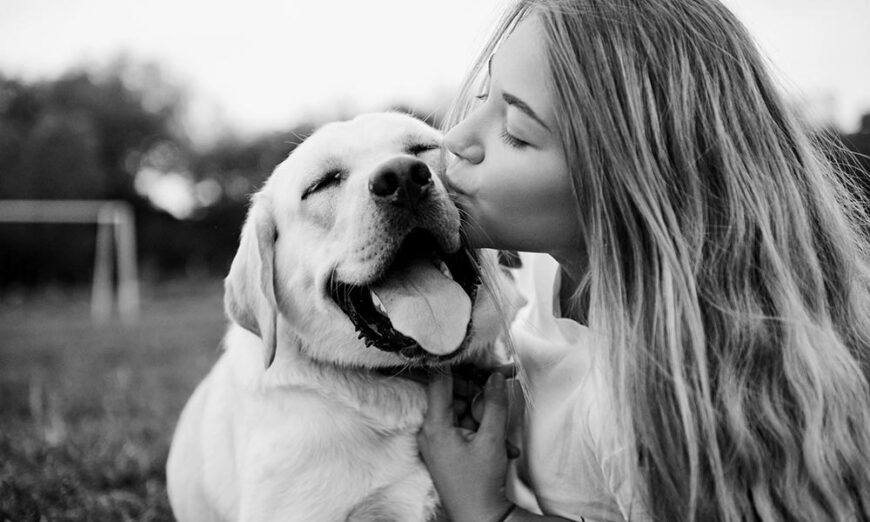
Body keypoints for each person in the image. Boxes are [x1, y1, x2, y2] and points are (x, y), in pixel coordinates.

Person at [416, 0, 870, 521]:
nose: (457, 138)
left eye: (517, 132)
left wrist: (482, 508)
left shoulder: (666, 405)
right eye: (484, 94)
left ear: (625, 186)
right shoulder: (545, 275)